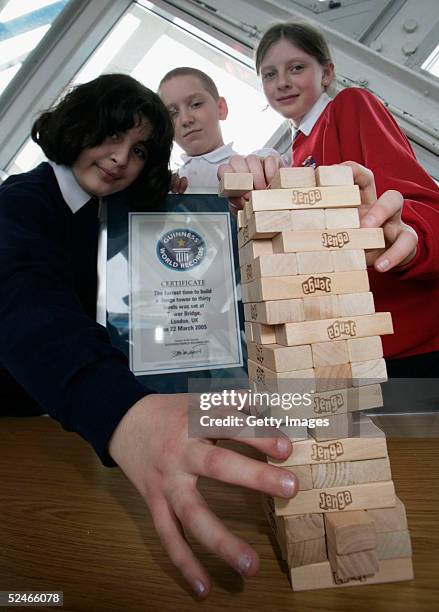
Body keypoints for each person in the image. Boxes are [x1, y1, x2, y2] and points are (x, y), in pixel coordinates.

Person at [0, 73, 298, 599]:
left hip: (59, 424)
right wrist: (124, 412)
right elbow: (24, 300)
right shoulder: (21, 203)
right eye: (109, 135)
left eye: (139, 150)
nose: (120, 158)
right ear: (75, 126)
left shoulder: (112, 215)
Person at [219, 21, 439, 376]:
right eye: (269, 74)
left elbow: (421, 206)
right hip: (357, 346)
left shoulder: (350, 106)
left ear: (327, 73)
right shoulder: (295, 150)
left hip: (414, 339)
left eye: (297, 68)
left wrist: (409, 240)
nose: (282, 82)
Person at [158, 66, 289, 189]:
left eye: (196, 104)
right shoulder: (166, 185)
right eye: (172, 113)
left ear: (220, 108)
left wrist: (266, 166)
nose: (186, 119)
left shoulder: (255, 164)